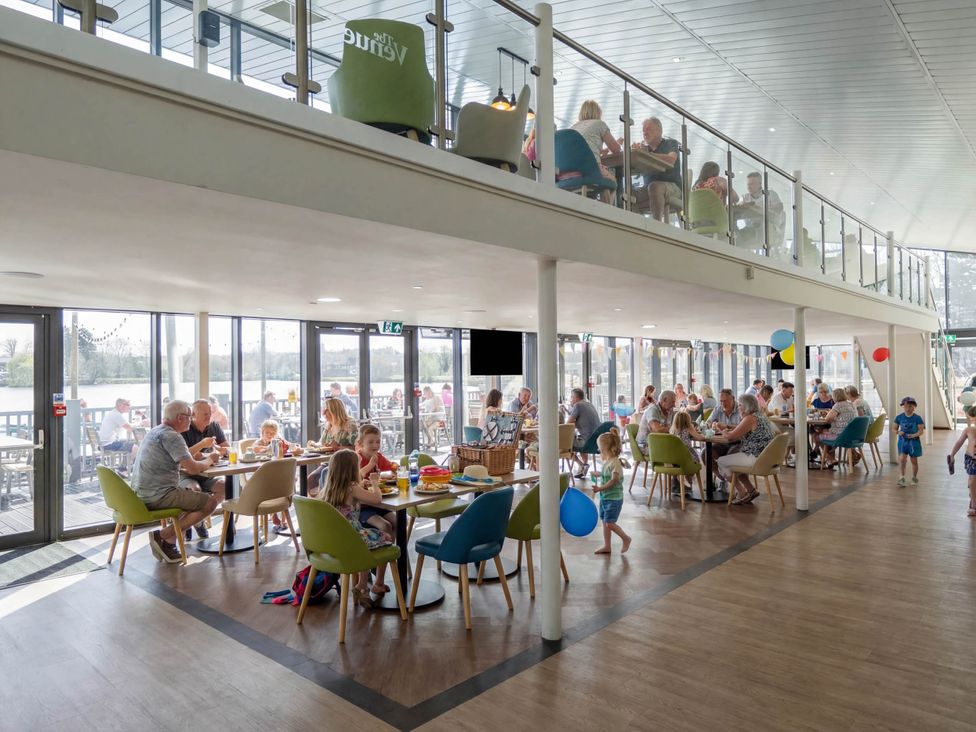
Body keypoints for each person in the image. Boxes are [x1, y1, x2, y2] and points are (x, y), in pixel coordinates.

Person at [131, 400, 224, 563]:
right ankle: (163, 535)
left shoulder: (156, 431)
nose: (191, 419)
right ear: (180, 418)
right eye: (190, 416)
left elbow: (186, 462)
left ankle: (168, 544)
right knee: (209, 503)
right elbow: (194, 469)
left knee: (192, 498)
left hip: (141, 493)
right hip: (159, 495)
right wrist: (210, 460)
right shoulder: (172, 436)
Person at [317, 449, 391, 607]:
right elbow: (376, 499)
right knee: (385, 536)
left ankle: (363, 585)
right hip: (352, 538)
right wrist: (375, 483)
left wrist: (361, 485)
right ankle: (371, 584)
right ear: (351, 470)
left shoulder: (329, 490)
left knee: (363, 544)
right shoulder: (351, 488)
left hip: (333, 541)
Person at [355, 424, 398, 593]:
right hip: (363, 508)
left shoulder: (378, 457)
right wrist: (370, 465)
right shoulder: (357, 458)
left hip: (380, 504)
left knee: (399, 523)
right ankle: (378, 576)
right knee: (385, 526)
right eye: (371, 442)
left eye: (378, 441)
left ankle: (383, 566)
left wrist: (394, 468)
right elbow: (355, 478)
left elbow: (389, 470)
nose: (375, 445)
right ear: (360, 443)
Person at [180, 399, 230, 540]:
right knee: (194, 491)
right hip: (186, 473)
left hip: (207, 473)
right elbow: (182, 458)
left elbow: (226, 448)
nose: (209, 417)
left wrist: (221, 450)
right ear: (194, 415)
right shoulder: (184, 429)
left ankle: (197, 519)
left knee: (226, 487)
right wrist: (202, 445)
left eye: (210, 413)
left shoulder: (214, 426)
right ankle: (193, 523)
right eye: (205, 414)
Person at [716, 394, 777, 505]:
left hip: (755, 458)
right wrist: (728, 427)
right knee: (735, 463)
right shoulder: (760, 416)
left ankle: (742, 492)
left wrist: (721, 430)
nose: (738, 407)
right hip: (766, 457)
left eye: (740, 405)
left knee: (721, 461)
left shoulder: (750, 418)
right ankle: (751, 490)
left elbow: (730, 437)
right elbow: (742, 428)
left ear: (746, 406)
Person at [569, 100, 621, 202]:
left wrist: (600, 152)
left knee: (595, 184)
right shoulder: (599, 124)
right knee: (611, 182)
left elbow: (585, 148)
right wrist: (618, 143)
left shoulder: (573, 127)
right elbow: (616, 149)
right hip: (589, 169)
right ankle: (606, 213)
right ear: (597, 113)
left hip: (569, 172)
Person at [632, 117, 682, 221]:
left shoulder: (670, 143)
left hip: (672, 186)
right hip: (649, 188)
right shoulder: (646, 150)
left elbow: (671, 159)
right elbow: (635, 169)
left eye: (648, 129)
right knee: (628, 194)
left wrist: (648, 155)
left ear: (659, 130)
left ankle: (657, 225)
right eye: (643, 131)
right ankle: (636, 226)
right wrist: (635, 154)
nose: (645, 133)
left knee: (654, 187)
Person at [306, 398, 358, 495]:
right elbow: (322, 444)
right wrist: (313, 444)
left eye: (326, 410)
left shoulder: (349, 425)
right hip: (328, 462)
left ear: (335, 410)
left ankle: (326, 503)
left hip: (343, 463)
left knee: (324, 475)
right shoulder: (328, 426)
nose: (323, 413)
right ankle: (316, 504)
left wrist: (339, 448)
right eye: (323, 410)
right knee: (310, 480)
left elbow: (357, 448)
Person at [592, 428, 631, 555]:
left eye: (600, 449)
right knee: (605, 522)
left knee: (609, 523)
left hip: (614, 499)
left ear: (605, 449)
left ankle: (626, 538)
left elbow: (614, 480)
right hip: (606, 497)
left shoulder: (615, 463)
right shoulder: (608, 462)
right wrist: (599, 474)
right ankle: (607, 546)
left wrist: (599, 489)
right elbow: (607, 475)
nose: (599, 451)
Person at [738, 172, 785, 248]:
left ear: (760, 184)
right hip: (751, 230)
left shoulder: (771, 194)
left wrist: (758, 208)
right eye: (748, 184)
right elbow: (739, 206)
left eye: (752, 184)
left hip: (769, 228)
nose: (749, 187)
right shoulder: (744, 197)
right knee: (736, 236)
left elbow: (779, 208)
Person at [704, 388, 742, 484]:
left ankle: (735, 484)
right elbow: (708, 422)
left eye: (725, 401)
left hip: (739, 443)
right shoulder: (718, 408)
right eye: (721, 401)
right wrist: (711, 425)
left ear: (733, 399)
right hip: (722, 442)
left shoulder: (741, 409)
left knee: (729, 457)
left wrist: (727, 426)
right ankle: (722, 479)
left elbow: (743, 427)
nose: (722, 404)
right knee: (705, 454)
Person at [813, 388, 857, 467]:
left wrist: (829, 413)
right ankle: (828, 456)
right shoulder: (851, 404)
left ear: (835, 397)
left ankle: (830, 458)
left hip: (840, 436)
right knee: (824, 431)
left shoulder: (838, 405)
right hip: (851, 435)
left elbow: (827, 419)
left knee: (816, 436)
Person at [566, 388, 601, 479]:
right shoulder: (590, 405)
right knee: (580, 437)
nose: (571, 399)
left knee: (564, 445)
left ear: (576, 398)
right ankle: (584, 465)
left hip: (586, 442)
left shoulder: (577, 405)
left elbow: (567, 425)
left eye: (571, 397)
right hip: (596, 442)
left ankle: (581, 464)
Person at [947, 405, 976, 517]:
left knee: (973, 483)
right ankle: (973, 505)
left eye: (974, 417)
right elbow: (959, 442)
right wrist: (952, 454)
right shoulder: (968, 430)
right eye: (972, 418)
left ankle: (973, 496)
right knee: (972, 482)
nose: (973, 420)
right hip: (971, 459)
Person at [893, 397, 924, 486]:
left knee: (914, 460)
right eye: (905, 406)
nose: (908, 408)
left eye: (910, 406)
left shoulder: (917, 418)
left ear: (914, 407)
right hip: (903, 442)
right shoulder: (899, 417)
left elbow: (921, 431)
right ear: (903, 406)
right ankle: (901, 477)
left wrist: (914, 435)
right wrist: (898, 432)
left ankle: (914, 477)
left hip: (914, 442)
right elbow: (894, 429)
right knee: (902, 459)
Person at [98, 397, 138, 464]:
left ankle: (124, 466)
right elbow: (129, 427)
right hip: (109, 444)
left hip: (104, 443)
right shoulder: (116, 415)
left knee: (129, 443)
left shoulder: (113, 413)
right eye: (128, 405)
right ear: (120, 405)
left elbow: (127, 426)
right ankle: (127, 468)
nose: (129, 407)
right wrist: (141, 423)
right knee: (136, 447)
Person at [670, 411, 704, 487]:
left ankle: (677, 481)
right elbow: (700, 438)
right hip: (686, 456)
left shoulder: (672, 430)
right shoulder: (688, 429)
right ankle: (689, 476)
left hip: (673, 457)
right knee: (697, 460)